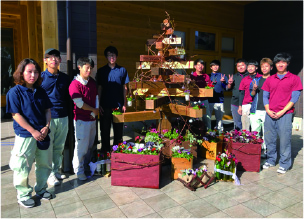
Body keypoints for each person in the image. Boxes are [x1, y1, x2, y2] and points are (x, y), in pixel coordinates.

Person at [6, 58, 53, 208]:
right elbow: (16, 115)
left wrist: (46, 126)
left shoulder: (41, 91)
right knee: (22, 166)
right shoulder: (14, 92)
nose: (33, 75)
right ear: (21, 73)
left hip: (43, 134)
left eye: (36, 72)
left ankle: (41, 189)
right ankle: (23, 195)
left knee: (44, 163)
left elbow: (47, 110)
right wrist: (32, 131)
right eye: (29, 72)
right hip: (26, 135)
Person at [262, 52, 302, 174]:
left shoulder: (294, 78)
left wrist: (282, 111)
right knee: (269, 138)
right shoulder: (270, 79)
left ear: (288, 63)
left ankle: (284, 164)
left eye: (283, 62)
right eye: (278, 62)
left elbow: (294, 98)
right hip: (270, 113)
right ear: (275, 64)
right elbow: (265, 96)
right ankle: (271, 159)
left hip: (285, 113)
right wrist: (268, 110)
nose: (281, 64)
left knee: (285, 140)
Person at [41, 48, 70, 186]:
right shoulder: (40, 78)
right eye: (50, 57)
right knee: (48, 147)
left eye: (56, 57)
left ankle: (56, 170)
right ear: (45, 61)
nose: (53, 59)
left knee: (59, 147)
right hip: (48, 118)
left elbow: (68, 98)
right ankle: (49, 174)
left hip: (63, 116)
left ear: (60, 60)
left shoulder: (65, 78)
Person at [69, 57, 98, 180]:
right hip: (81, 121)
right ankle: (79, 170)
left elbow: (96, 97)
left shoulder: (91, 82)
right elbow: (79, 104)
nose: (89, 71)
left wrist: (94, 112)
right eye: (87, 68)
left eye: (91, 68)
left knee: (90, 145)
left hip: (92, 119)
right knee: (81, 146)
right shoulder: (74, 84)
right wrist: (93, 110)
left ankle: (86, 166)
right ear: (79, 67)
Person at [96, 46, 130, 154]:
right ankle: (105, 152)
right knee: (104, 130)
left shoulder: (122, 70)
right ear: (106, 56)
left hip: (118, 105)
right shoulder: (101, 71)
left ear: (117, 57)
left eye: (114, 55)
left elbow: (124, 87)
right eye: (110, 55)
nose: (112, 57)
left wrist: (124, 103)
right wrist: (99, 104)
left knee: (118, 130)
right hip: (105, 105)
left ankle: (117, 152)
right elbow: (99, 88)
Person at [249, 58, 272, 159]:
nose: (264, 68)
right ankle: (256, 151)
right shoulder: (256, 80)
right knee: (255, 132)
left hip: (268, 110)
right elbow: (251, 94)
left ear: (271, 67)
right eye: (262, 66)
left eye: (266, 66)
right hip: (256, 110)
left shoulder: (273, 80)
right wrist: (254, 89)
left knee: (267, 133)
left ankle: (267, 151)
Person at [238, 60, 262, 131]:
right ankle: (246, 139)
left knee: (257, 125)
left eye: (252, 66)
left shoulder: (261, 77)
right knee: (245, 125)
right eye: (248, 67)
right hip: (246, 104)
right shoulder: (244, 79)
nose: (250, 68)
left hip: (258, 104)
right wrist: (240, 106)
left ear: (256, 67)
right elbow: (241, 93)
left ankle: (257, 140)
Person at [190, 59, 211, 130]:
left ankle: (209, 133)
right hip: (194, 100)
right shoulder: (191, 76)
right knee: (194, 118)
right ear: (195, 66)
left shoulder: (206, 76)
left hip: (204, 99)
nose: (200, 66)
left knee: (207, 117)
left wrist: (210, 87)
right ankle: (194, 133)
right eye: (198, 65)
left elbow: (210, 86)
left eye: (202, 65)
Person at [208, 60, 229, 131]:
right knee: (208, 117)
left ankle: (219, 132)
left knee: (219, 118)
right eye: (213, 65)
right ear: (211, 67)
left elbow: (226, 88)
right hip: (209, 100)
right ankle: (207, 131)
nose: (215, 67)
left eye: (217, 65)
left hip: (219, 100)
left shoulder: (222, 76)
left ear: (219, 66)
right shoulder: (208, 76)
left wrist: (223, 82)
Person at [229, 59, 248, 130]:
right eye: (238, 66)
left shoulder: (250, 76)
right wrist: (229, 84)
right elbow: (228, 88)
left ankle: (247, 138)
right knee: (237, 123)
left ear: (246, 66)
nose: (240, 67)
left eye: (242, 65)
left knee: (247, 123)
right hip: (235, 102)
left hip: (247, 103)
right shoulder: (234, 76)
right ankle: (238, 139)